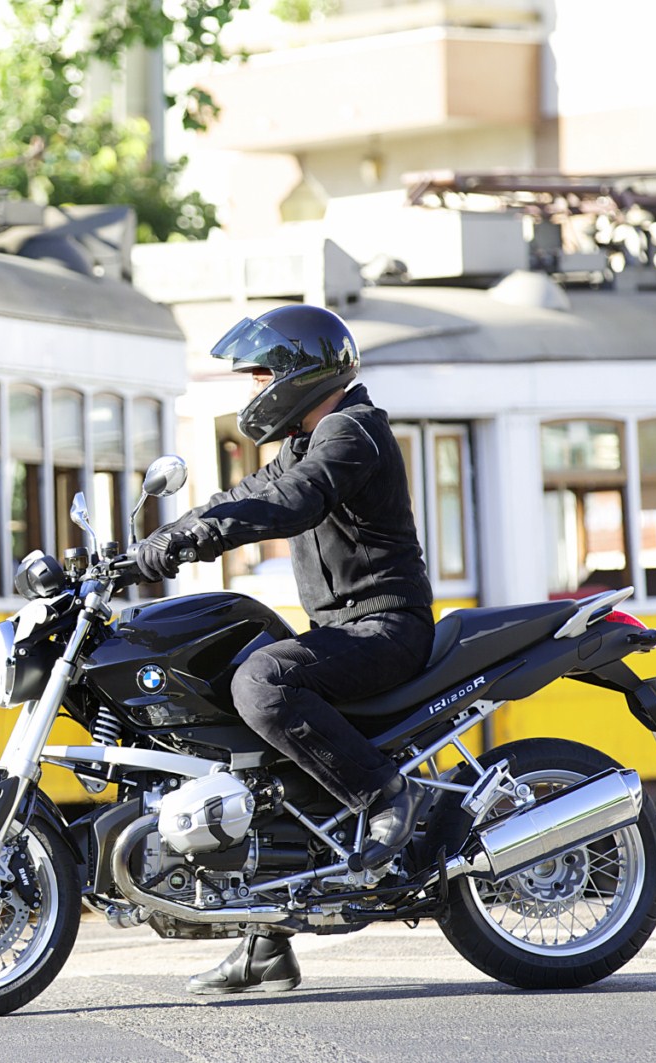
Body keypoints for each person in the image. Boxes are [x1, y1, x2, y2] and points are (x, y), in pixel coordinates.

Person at [135, 304, 435, 995]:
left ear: (301, 371)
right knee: (235, 724)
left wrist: (191, 542)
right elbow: (242, 495)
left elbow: (294, 502)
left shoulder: (353, 431)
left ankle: (386, 794)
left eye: (261, 374)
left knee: (261, 683)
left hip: (385, 628)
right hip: (342, 631)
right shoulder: (303, 443)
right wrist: (149, 544)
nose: (254, 390)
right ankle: (264, 940)